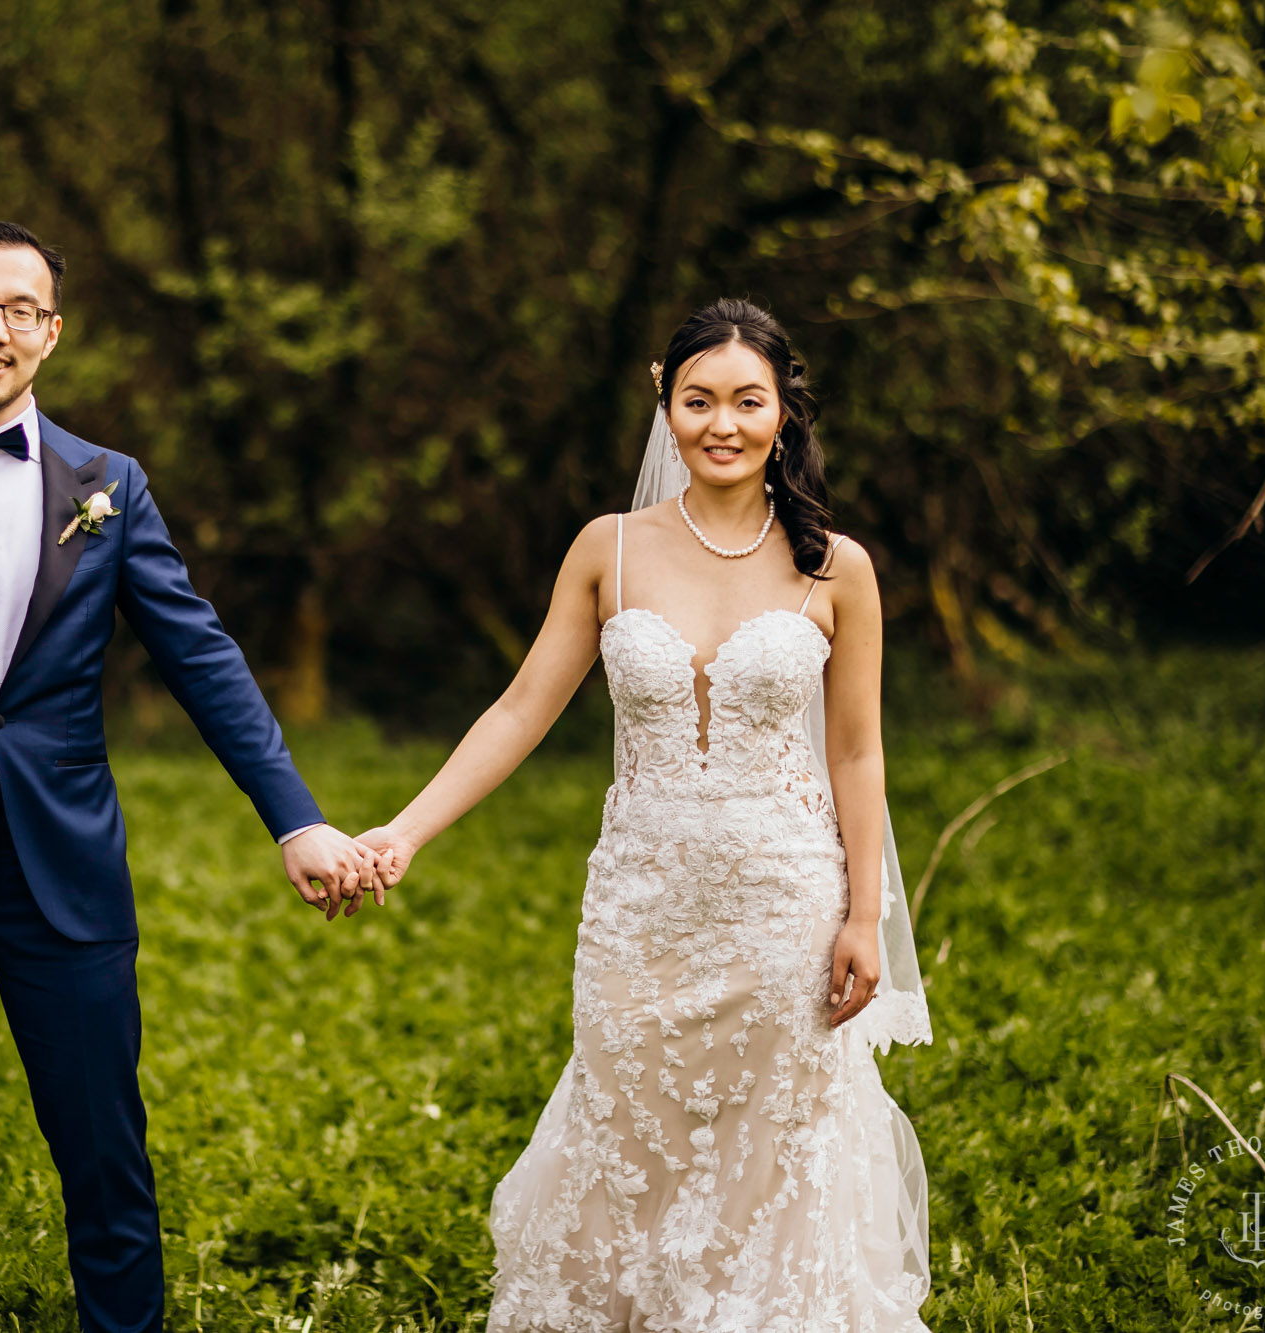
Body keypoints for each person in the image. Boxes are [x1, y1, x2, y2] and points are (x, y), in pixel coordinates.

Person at [0, 220, 377, 1330]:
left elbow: (200, 657)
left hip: (62, 864)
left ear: (50, 335)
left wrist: (293, 820)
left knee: (103, 1142)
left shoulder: (110, 485)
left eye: (18, 309)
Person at [359, 298, 934, 1330]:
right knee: (631, 1139)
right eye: (697, 399)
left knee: (771, 1158)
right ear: (663, 409)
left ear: (782, 414)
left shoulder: (835, 567)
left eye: (745, 401)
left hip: (781, 909)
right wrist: (403, 831)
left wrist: (861, 915)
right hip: (638, 911)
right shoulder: (607, 549)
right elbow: (519, 707)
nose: (721, 423)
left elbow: (854, 748)